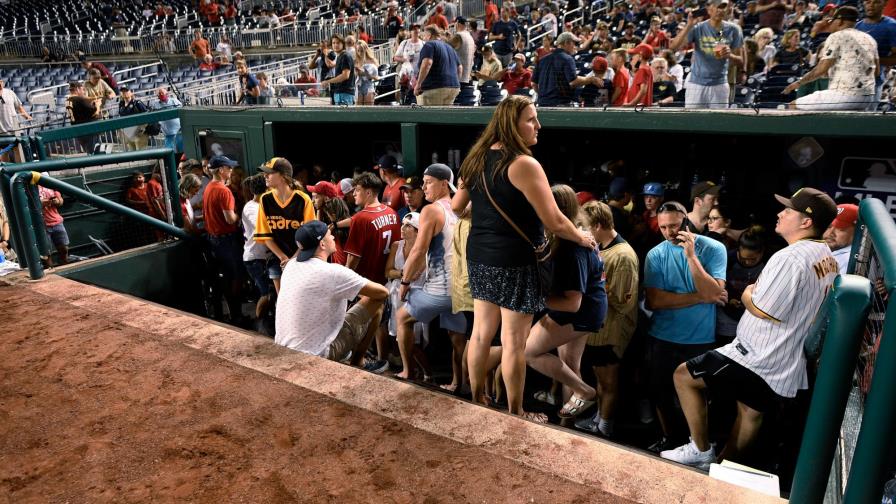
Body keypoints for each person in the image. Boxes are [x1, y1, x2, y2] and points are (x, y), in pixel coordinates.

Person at [662, 188, 839, 469]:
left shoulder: (790, 257)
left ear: (806, 222)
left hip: (759, 355)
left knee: (684, 376)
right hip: (786, 358)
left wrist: (746, 294)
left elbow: (764, 310)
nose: (780, 214)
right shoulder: (826, 254)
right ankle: (723, 470)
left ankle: (700, 449)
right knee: (749, 412)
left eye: (788, 211)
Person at [453, 96, 596, 419]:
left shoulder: (475, 158)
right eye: (531, 119)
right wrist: (581, 237)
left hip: (480, 255)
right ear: (512, 124)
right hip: (515, 260)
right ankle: (516, 411)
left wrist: (489, 217)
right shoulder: (524, 164)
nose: (538, 125)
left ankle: (478, 398)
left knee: (480, 333)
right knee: (514, 342)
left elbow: (457, 207)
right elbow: (555, 221)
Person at [644, 201, 727, 452]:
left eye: (674, 226)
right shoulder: (656, 254)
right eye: (663, 227)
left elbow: (715, 292)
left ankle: (697, 445)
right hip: (662, 335)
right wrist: (702, 296)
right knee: (660, 392)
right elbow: (655, 301)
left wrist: (691, 257)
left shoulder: (714, 248)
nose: (669, 232)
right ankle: (670, 439)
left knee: (699, 396)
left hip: (700, 338)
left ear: (687, 222)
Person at [525, 185, 607, 420]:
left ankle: (586, 391)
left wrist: (536, 298)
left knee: (528, 352)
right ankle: (565, 425)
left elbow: (572, 304)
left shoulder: (573, 248)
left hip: (579, 311)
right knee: (569, 368)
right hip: (589, 308)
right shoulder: (575, 234)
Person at [275, 220, 389, 369]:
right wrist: (356, 291)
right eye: (330, 235)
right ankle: (358, 362)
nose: (333, 237)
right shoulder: (333, 272)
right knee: (377, 303)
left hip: (283, 347)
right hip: (317, 354)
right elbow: (382, 292)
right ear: (322, 244)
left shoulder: (291, 265)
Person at [396, 164, 467, 384]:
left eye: (428, 182)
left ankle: (408, 371)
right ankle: (457, 383)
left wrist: (405, 281)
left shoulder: (431, 210)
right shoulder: (461, 208)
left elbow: (419, 250)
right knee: (457, 338)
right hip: (460, 290)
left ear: (444, 183)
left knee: (402, 318)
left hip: (440, 290)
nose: (424, 187)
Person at [575, 200, 639, 438]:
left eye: (586, 227)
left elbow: (623, 300)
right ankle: (599, 418)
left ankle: (605, 427)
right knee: (600, 379)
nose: (583, 232)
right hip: (598, 328)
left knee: (608, 381)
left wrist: (590, 286)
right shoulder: (602, 247)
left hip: (611, 331)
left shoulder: (623, 256)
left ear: (598, 226)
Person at [784, 7, 880, 110]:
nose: (830, 24)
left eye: (831, 21)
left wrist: (799, 83)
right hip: (868, 98)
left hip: (845, 95)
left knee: (793, 105)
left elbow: (821, 69)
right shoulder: (869, 39)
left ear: (840, 21)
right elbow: (877, 72)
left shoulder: (836, 36)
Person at [254, 157, 316, 293]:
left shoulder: (303, 199)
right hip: (277, 258)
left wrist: (293, 259)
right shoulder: (265, 199)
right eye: (264, 173)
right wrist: (283, 258)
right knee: (282, 298)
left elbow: (309, 236)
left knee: (300, 296)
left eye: (269, 173)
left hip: (301, 256)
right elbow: (266, 236)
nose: (265, 176)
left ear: (283, 176)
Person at [670, 0, 745, 109]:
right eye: (717, 6)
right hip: (696, 84)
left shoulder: (734, 29)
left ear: (727, 10)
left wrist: (730, 55)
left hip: (720, 84)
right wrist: (689, 25)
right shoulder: (698, 28)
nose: (720, 10)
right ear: (709, 9)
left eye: (723, 7)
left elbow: (741, 61)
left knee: (719, 119)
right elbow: (674, 47)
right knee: (692, 118)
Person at [385, 213, 430, 378]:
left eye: (408, 226)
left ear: (418, 231)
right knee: (399, 336)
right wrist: (403, 273)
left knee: (414, 340)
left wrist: (401, 274)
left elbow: (417, 275)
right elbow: (387, 271)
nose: (402, 228)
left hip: (417, 296)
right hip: (397, 295)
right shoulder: (396, 245)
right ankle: (411, 370)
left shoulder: (426, 250)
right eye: (402, 224)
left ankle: (426, 372)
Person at [203, 155, 245, 323]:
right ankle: (237, 317)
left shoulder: (209, 186)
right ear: (221, 170)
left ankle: (228, 315)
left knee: (224, 279)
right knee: (235, 278)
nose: (231, 170)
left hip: (214, 240)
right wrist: (239, 216)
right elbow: (229, 219)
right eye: (229, 168)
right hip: (227, 241)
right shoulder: (223, 190)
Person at [344, 172, 401, 286]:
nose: (354, 194)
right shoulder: (392, 212)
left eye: (357, 190)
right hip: (389, 281)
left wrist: (345, 280)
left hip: (367, 283)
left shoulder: (360, 218)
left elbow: (353, 258)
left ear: (368, 193)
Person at [715, 226, 768, 346]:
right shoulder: (727, 259)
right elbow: (716, 283)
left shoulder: (769, 262)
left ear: (762, 253)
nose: (748, 262)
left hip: (753, 315)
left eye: (753, 259)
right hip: (726, 314)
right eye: (744, 259)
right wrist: (729, 298)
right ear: (738, 250)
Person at [533, 32, 599, 107]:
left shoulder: (542, 60)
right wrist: (591, 79)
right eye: (574, 43)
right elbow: (573, 82)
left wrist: (544, 96)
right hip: (560, 105)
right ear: (566, 43)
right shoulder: (567, 58)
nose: (575, 46)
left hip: (542, 104)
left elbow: (534, 84)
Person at [242, 174, 274, 325]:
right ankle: (259, 325)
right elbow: (263, 229)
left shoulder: (262, 204)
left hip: (263, 256)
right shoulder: (252, 208)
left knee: (270, 294)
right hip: (255, 258)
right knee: (266, 294)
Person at [856, 0, 896, 107]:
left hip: (873, 83)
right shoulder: (858, 26)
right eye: (868, 2)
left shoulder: (892, 26)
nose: (871, 5)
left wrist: (874, 60)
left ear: (885, 4)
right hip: (851, 81)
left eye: (876, 2)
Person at [414, 26, 462, 106]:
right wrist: (455, 81)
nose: (423, 39)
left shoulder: (429, 45)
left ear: (429, 35)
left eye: (424, 36)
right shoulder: (450, 47)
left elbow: (427, 63)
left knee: (428, 114)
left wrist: (418, 84)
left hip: (434, 87)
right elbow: (459, 68)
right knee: (443, 114)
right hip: (453, 87)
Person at [0, 78, 32, 162]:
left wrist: (27, 116)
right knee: (4, 152)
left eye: (1, 81)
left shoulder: (10, 93)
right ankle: (5, 170)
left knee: (18, 150)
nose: (0, 83)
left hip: (14, 129)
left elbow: (19, 107)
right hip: (1, 131)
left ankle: (20, 169)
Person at [38, 183, 69, 266]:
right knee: (46, 252)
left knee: (64, 248)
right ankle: (50, 268)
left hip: (56, 221)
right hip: (42, 224)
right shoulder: (30, 187)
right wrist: (40, 203)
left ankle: (64, 265)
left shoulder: (50, 184)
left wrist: (57, 201)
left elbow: (60, 201)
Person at [66, 81, 101, 153]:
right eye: (82, 89)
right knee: (94, 152)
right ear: (77, 89)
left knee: (89, 151)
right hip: (88, 130)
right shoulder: (79, 100)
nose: (83, 91)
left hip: (78, 130)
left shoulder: (68, 100)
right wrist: (98, 105)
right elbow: (95, 113)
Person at [322, 34, 356, 106]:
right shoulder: (339, 56)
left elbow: (345, 76)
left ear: (343, 44)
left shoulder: (345, 56)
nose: (335, 45)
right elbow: (330, 65)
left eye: (338, 43)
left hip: (345, 93)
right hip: (339, 92)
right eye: (333, 43)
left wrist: (328, 81)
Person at [824, 203, 858, 273]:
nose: (830, 233)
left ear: (856, 231)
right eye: (829, 227)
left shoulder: (849, 260)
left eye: (840, 229)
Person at [118, 86, 149, 151]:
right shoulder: (121, 104)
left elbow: (146, 115)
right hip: (128, 132)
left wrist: (142, 128)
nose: (124, 92)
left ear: (131, 93)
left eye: (126, 91)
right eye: (122, 91)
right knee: (132, 152)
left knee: (141, 152)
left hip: (139, 132)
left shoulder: (137, 103)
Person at [152, 88, 183, 154]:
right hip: (167, 133)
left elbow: (182, 111)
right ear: (158, 96)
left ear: (167, 94)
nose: (161, 95)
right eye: (159, 94)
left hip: (179, 130)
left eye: (163, 93)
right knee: (169, 152)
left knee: (181, 150)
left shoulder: (174, 101)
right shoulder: (155, 104)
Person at [451, 16, 477, 86]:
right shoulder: (470, 36)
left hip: (458, 78)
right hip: (467, 76)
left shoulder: (458, 35)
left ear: (457, 23)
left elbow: (447, 48)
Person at [356, 41, 380, 105]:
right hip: (358, 87)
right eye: (358, 51)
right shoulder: (357, 60)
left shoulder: (372, 60)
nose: (360, 53)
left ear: (365, 50)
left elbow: (377, 78)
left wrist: (366, 74)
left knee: (368, 108)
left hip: (369, 87)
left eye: (361, 51)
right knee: (358, 109)